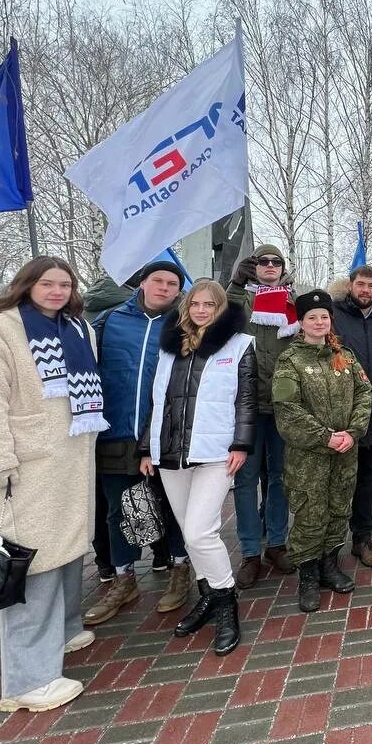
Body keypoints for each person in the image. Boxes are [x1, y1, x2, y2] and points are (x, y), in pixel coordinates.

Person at [0, 256, 108, 712]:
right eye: (48, 283)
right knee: (29, 567)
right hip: (23, 468)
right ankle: (27, 681)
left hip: (69, 461)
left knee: (65, 554)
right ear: (26, 284)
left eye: (65, 284)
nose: (57, 291)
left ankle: (63, 629)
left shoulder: (80, 329)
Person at [139, 281, 255, 657]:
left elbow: (247, 400)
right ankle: (208, 595)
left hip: (216, 451)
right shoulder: (170, 347)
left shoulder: (240, 344)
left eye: (210, 305)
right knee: (191, 536)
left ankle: (226, 603)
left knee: (200, 531)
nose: (201, 310)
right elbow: (156, 401)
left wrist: (242, 443)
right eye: (195, 304)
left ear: (221, 308)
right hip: (170, 453)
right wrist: (146, 447)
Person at [86, 261, 190, 628]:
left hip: (166, 433)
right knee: (120, 509)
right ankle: (124, 577)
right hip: (115, 431)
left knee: (174, 504)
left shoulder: (182, 325)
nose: (164, 288)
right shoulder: (110, 322)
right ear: (142, 283)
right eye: (158, 281)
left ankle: (180, 568)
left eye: (172, 283)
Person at [273, 289, 372, 612]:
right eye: (312, 318)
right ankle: (309, 575)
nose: (319, 322)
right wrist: (325, 437)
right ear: (301, 323)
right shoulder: (290, 361)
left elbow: (364, 393)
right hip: (309, 457)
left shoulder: (344, 355)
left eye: (324, 317)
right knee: (310, 512)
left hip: (345, 451)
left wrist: (353, 432)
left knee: (338, 507)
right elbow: (288, 410)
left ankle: (330, 564)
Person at [227, 244, 298, 587]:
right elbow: (222, 312)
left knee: (280, 477)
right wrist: (235, 284)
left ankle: (277, 542)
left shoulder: (291, 303)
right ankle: (250, 551)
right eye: (262, 261)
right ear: (253, 267)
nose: (269, 265)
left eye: (276, 261)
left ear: (282, 267)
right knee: (245, 479)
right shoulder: (243, 300)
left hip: (282, 406)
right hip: (247, 406)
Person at [330, 266, 372, 568]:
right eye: (361, 285)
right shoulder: (332, 314)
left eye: (371, 286)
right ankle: (330, 543)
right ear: (351, 285)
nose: (366, 291)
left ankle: (362, 539)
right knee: (340, 480)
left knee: (370, 477)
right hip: (342, 410)